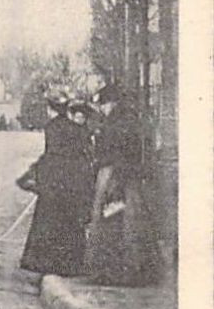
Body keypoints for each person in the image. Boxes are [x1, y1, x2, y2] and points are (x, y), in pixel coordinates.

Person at [83, 85, 158, 286]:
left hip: (114, 176)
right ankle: (136, 268)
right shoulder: (132, 121)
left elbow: (114, 153)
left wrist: (112, 179)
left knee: (112, 221)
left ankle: (112, 270)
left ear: (111, 102)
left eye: (103, 104)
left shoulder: (113, 124)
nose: (102, 109)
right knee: (131, 222)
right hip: (128, 178)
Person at [18, 95, 95, 277]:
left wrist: (37, 176)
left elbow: (50, 155)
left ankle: (45, 262)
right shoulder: (76, 128)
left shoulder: (51, 127)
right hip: (73, 182)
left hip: (53, 181)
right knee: (70, 223)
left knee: (48, 220)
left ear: (51, 110)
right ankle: (71, 263)